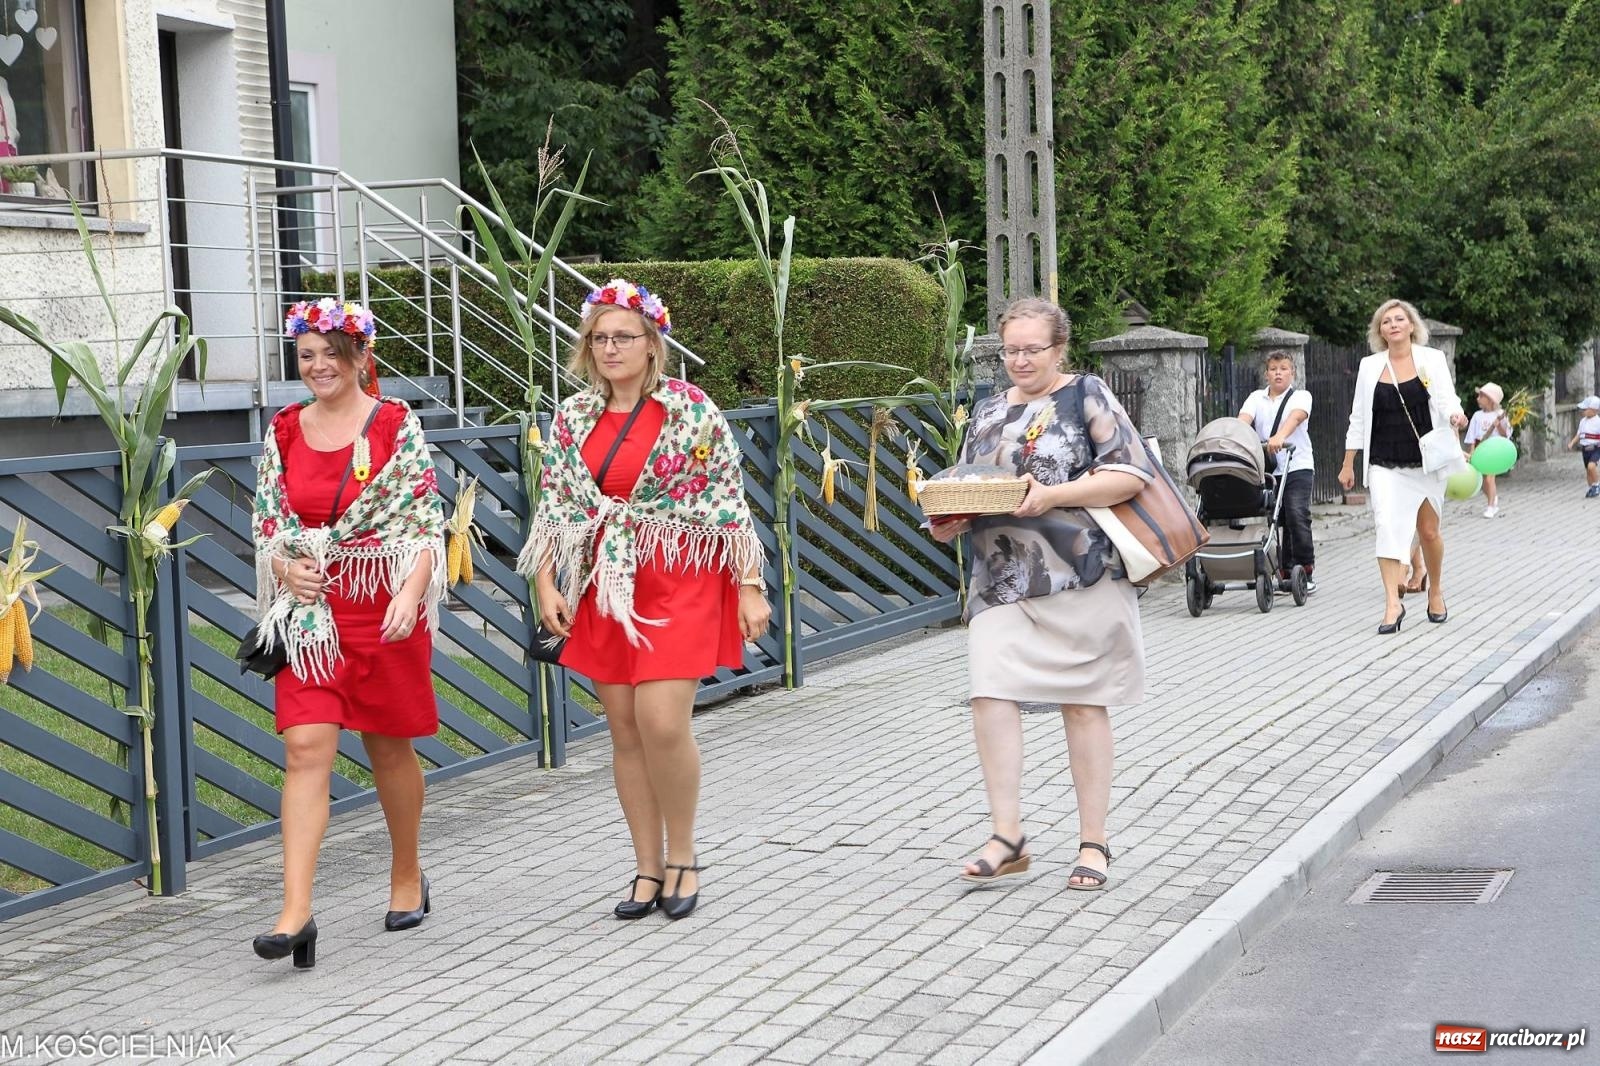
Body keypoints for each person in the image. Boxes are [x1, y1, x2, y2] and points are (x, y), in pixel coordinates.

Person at [520, 278, 770, 921]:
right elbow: (557, 507)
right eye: (599, 339)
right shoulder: (572, 416)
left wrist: (748, 584)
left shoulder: (690, 408)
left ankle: (683, 855)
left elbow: (726, 498)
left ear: (652, 343)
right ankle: (646, 867)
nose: (610, 349)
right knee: (626, 730)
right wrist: (547, 580)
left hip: (680, 572)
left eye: (623, 337)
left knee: (662, 721)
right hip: (605, 579)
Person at [929, 298, 1153, 892]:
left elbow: (1132, 474)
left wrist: (1052, 495)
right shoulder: (985, 411)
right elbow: (970, 483)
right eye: (1011, 349)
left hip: (1079, 575)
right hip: (1001, 580)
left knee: (1083, 705)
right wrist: (950, 517)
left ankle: (1093, 842)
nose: (1020, 360)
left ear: (1060, 349)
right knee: (989, 693)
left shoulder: (1087, 396)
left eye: (1033, 349)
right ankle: (1008, 836)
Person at [250, 298, 447, 969]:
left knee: (389, 751)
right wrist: (285, 568)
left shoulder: (394, 424)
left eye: (330, 353)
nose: (317, 366)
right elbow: (269, 525)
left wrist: (411, 592)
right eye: (306, 355)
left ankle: (406, 872)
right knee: (306, 748)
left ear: (360, 356)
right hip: (313, 616)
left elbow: (424, 520)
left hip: (382, 602)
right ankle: (296, 910)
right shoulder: (282, 430)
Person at [1338, 299, 1467, 633]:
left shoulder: (1432, 359)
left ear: (1411, 325)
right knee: (1386, 526)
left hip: (1425, 461)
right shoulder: (1369, 366)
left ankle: (1435, 589)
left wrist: (1456, 414)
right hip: (1383, 461)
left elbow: (1446, 398)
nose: (1393, 325)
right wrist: (1348, 463)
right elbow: (1358, 417)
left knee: (1428, 532)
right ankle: (1392, 606)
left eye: (1399, 319)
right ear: (1379, 330)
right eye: (1386, 321)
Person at [1238, 349, 1316, 592]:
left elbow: (1296, 417)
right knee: (1277, 519)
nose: (1278, 373)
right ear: (1266, 374)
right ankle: (1283, 569)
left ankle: (1305, 568)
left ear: (1292, 373)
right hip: (1270, 470)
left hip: (1297, 465)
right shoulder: (1255, 398)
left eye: (1283, 369)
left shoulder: (1301, 396)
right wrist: (1237, 436)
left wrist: (1279, 437)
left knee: (1296, 514)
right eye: (1274, 369)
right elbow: (1244, 419)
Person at [1463, 382, 1511, 518]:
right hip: (1481, 449)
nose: (1477, 398)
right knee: (1483, 481)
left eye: (1481, 396)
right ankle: (1493, 496)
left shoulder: (1500, 414)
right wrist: (1472, 451)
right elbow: (1472, 436)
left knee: (1490, 478)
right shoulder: (1477, 416)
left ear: (1490, 400)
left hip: (1494, 450)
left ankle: (1491, 507)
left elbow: (1506, 435)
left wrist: (1499, 426)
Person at [1566, 395, 1600, 498]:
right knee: (1588, 471)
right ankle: (1591, 487)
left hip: (1595, 448)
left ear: (1594, 410)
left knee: (1591, 466)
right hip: (1585, 450)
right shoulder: (1583, 421)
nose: (1583, 411)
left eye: (1585, 409)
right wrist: (1572, 443)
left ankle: (1596, 485)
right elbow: (1579, 435)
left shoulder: (1598, 422)